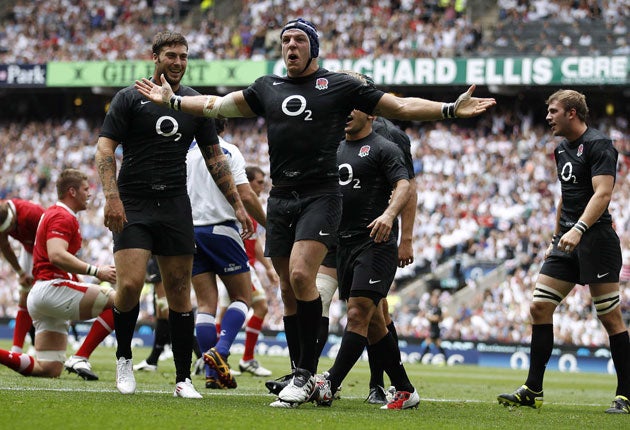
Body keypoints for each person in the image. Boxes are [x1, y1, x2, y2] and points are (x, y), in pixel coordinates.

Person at [135, 17, 495, 407]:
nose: (290, 46)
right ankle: (300, 370)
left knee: (303, 275)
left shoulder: (340, 85)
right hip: (281, 197)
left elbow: (401, 104)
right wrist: (171, 101)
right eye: (285, 40)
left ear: (313, 48)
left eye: (299, 40)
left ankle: (308, 375)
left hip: (321, 196)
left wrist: (449, 110)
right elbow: (215, 105)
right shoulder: (266, 87)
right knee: (288, 291)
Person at [95, 31, 252, 398]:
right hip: (133, 203)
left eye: (183, 56)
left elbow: (215, 156)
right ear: (155, 57)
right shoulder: (129, 97)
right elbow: (105, 149)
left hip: (176, 206)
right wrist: (111, 198)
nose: (178, 62)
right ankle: (123, 358)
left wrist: (239, 204)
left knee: (181, 292)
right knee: (130, 285)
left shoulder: (195, 103)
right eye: (171, 55)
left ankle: (183, 378)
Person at [497, 89, 630, 414]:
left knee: (610, 318)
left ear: (572, 113)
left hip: (596, 240)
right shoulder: (560, 149)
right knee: (539, 308)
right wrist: (558, 235)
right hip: (566, 242)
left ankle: (626, 394)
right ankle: (533, 389)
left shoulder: (599, 145)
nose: (547, 116)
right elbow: (565, 196)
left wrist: (578, 229)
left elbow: (602, 194)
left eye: (553, 111)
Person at [310, 104, 417, 410]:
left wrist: (391, 217)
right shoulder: (334, 146)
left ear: (371, 113)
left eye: (354, 105)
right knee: (373, 323)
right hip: (342, 243)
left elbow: (405, 185)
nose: (346, 110)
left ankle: (329, 382)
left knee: (359, 313)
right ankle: (405, 389)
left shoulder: (387, 146)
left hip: (376, 240)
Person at [0, 169, 117, 380]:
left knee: (48, 369)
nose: (89, 193)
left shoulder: (54, 214)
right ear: (72, 192)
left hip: (41, 294)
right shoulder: (62, 216)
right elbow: (56, 255)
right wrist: (96, 271)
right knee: (121, 301)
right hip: (51, 289)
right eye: (85, 189)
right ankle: (80, 356)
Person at [186, 119, 266, 390]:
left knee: (206, 305)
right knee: (243, 297)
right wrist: (268, 224)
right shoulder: (229, 150)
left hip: (191, 234)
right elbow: (246, 195)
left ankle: (212, 374)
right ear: (224, 124)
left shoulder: (185, 152)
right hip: (222, 229)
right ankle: (220, 351)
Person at [237, 165, 277, 377]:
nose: (263, 186)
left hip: (246, 263)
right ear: (249, 181)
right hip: (238, 263)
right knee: (260, 305)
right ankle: (246, 359)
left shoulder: (252, 207)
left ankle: (210, 359)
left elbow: (255, 242)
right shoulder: (240, 203)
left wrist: (268, 267)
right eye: (259, 182)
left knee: (222, 310)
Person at [0, 198, 45, 353]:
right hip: (28, 250)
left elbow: (50, 240)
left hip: (47, 250)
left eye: (11, 227)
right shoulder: (2, 217)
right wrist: (21, 272)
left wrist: (40, 269)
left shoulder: (33, 213)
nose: (9, 231)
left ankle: (41, 345)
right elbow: (5, 246)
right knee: (24, 296)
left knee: (43, 296)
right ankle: (16, 349)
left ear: (13, 215)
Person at [419, 290, 447, 362]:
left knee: (429, 342)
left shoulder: (438, 309)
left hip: (435, 328)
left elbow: (437, 318)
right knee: (437, 344)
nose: (433, 300)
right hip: (432, 327)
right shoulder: (432, 309)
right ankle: (446, 358)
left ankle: (421, 358)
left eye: (434, 299)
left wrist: (429, 317)